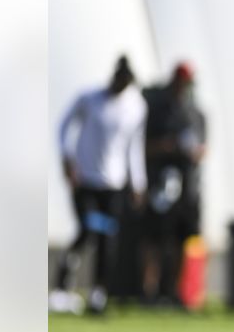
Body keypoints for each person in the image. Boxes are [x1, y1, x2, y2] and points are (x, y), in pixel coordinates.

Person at [51, 55, 148, 315]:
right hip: (86, 181)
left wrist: (138, 182)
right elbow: (63, 126)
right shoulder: (90, 99)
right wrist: (67, 159)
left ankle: (98, 293)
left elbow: (133, 147)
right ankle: (61, 289)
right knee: (86, 230)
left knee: (107, 238)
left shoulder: (136, 107)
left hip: (113, 185)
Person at [140, 62, 207, 306]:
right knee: (155, 239)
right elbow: (143, 146)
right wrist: (167, 145)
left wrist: (193, 151)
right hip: (161, 185)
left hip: (187, 186)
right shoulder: (158, 112)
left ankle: (179, 292)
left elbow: (203, 149)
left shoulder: (197, 114)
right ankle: (149, 291)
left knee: (183, 239)